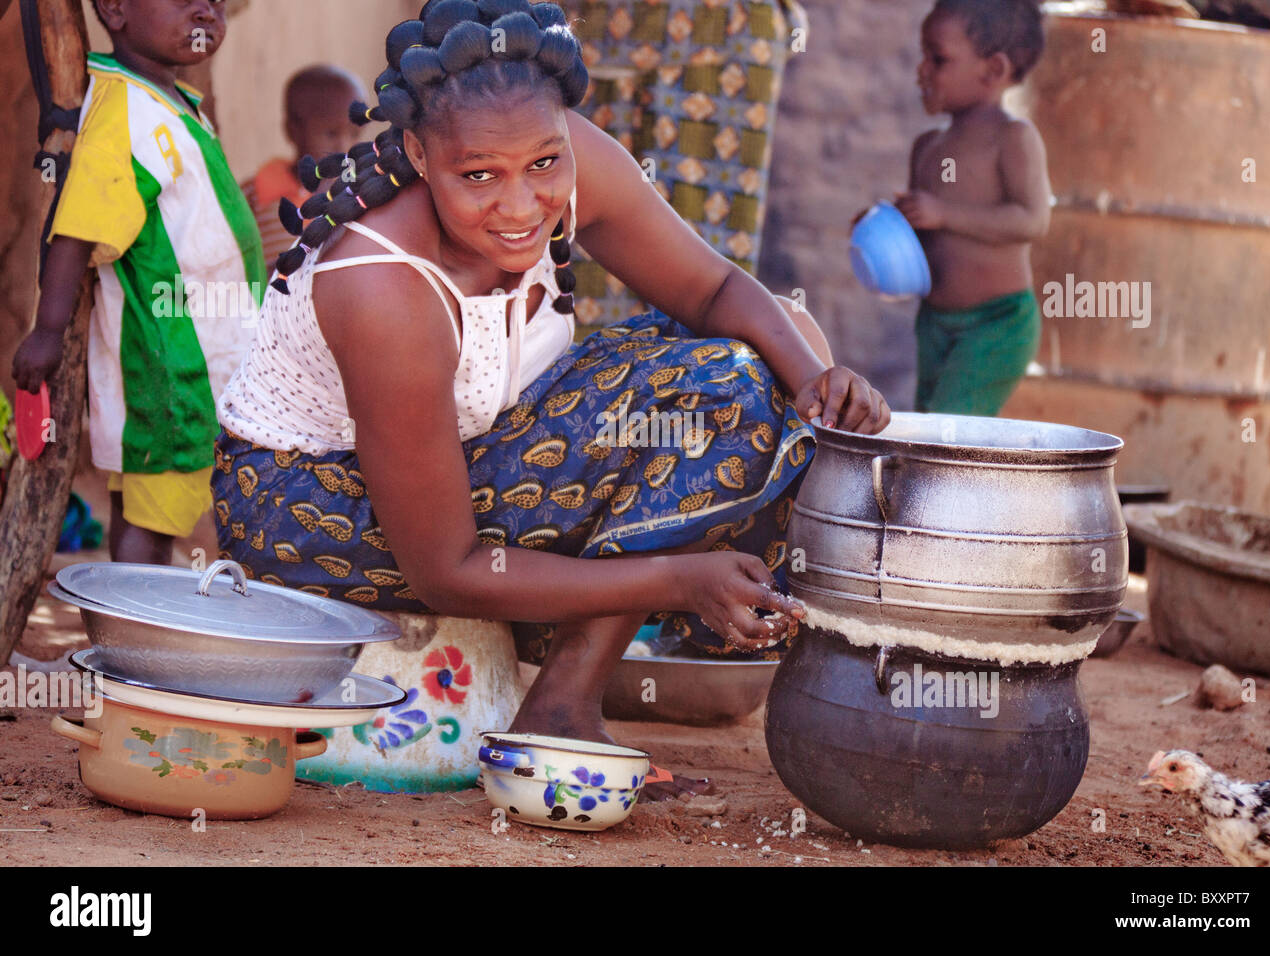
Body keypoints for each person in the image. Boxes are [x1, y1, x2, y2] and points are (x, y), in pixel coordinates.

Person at [213, 0, 888, 797]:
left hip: (472, 453)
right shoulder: (383, 289)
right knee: (727, 394)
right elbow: (448, 569)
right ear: (418, 155)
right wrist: (676, 578)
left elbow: (711, 286)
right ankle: (563, 708)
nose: (520, 204)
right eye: (478, 176)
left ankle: (561, 698)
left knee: (783, 343)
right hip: (309, 502)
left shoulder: (563, 158)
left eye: (543, 164)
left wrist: (814, 380)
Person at [10, 0, 262, 564]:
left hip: (205, 353)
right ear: (116, 10)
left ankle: (140, 636)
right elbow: (78, 228)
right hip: (170, 368)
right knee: (151, 517)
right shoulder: (123, 109)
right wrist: (48, 331)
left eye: (217, 2)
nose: (207, 10)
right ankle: (132, 641)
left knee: (152, 507)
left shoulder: (170, 101)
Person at [893, 0, 1052, 416]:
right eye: (923, 55)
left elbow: (1032, 220)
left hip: (996, 323)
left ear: (993, 70)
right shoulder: (927, 148)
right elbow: (924, 242)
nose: (921, 70)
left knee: (950, 425)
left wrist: (945, 214)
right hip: (934, 320)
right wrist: (889, 230)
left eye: (938, 58)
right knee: (929, 422)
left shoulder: (1013, 138)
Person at [242, 65, 368, 274]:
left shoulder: (359, 197)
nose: (343, 148)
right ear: (293, 131)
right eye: (330, 134)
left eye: (354, 134)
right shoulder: (257, 193)